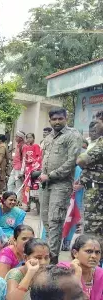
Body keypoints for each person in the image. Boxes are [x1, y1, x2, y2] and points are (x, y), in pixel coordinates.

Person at [40, 107, 83, 264]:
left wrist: (50, 175)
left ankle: (52, 262)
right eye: (54, 119)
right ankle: (46, 257)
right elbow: (45, 159)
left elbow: (71, 162)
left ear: (66, 118)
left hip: (61, 185)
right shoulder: (49, 137)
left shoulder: (73, 135)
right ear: (50, 120)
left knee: (55, 222)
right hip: (46, 185)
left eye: (60, 119)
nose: (57, 122)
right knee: (46, 221)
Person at [77, 110, 103, 239]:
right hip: (93, 186)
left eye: (99, 120)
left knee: (93, 226)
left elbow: (81, 160)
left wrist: (84, 163)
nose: (94, 124)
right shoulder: (95, 141)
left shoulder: (101, 143)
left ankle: (94, 255)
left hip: (97, 190)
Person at [58, 235, 103, 299]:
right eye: (89, 251)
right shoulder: (63, 270)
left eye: (97, 252)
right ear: (75, 253)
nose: (94, 256)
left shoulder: (100, 274)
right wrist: (77, 276)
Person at [22, 133, 43, 208]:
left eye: (30, 137)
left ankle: (36, 204)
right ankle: (27, 204)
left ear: (33, 138)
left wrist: (34, 166)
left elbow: (39, 158)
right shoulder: (26, 147)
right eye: (27, 138)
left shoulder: (36, 146)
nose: (28, 139)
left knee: (35, 186)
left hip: (34, 169)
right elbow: (25, 159)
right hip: (27, 169)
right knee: (27, 187)